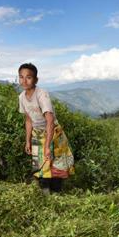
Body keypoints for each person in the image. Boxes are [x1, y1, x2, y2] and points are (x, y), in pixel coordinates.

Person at [18, 63, 74, 193]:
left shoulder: (41, 95)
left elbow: (50, 121)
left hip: (53, 134)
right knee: (41, 168)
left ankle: (56, 195)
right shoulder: (21, 97)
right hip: (37, 135)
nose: (24, 81)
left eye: (28, 77)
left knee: (56, 167)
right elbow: (28, 120)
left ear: (36, 79)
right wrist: (28, 140)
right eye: (21, 77)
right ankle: (46, 198)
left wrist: (47, 146)